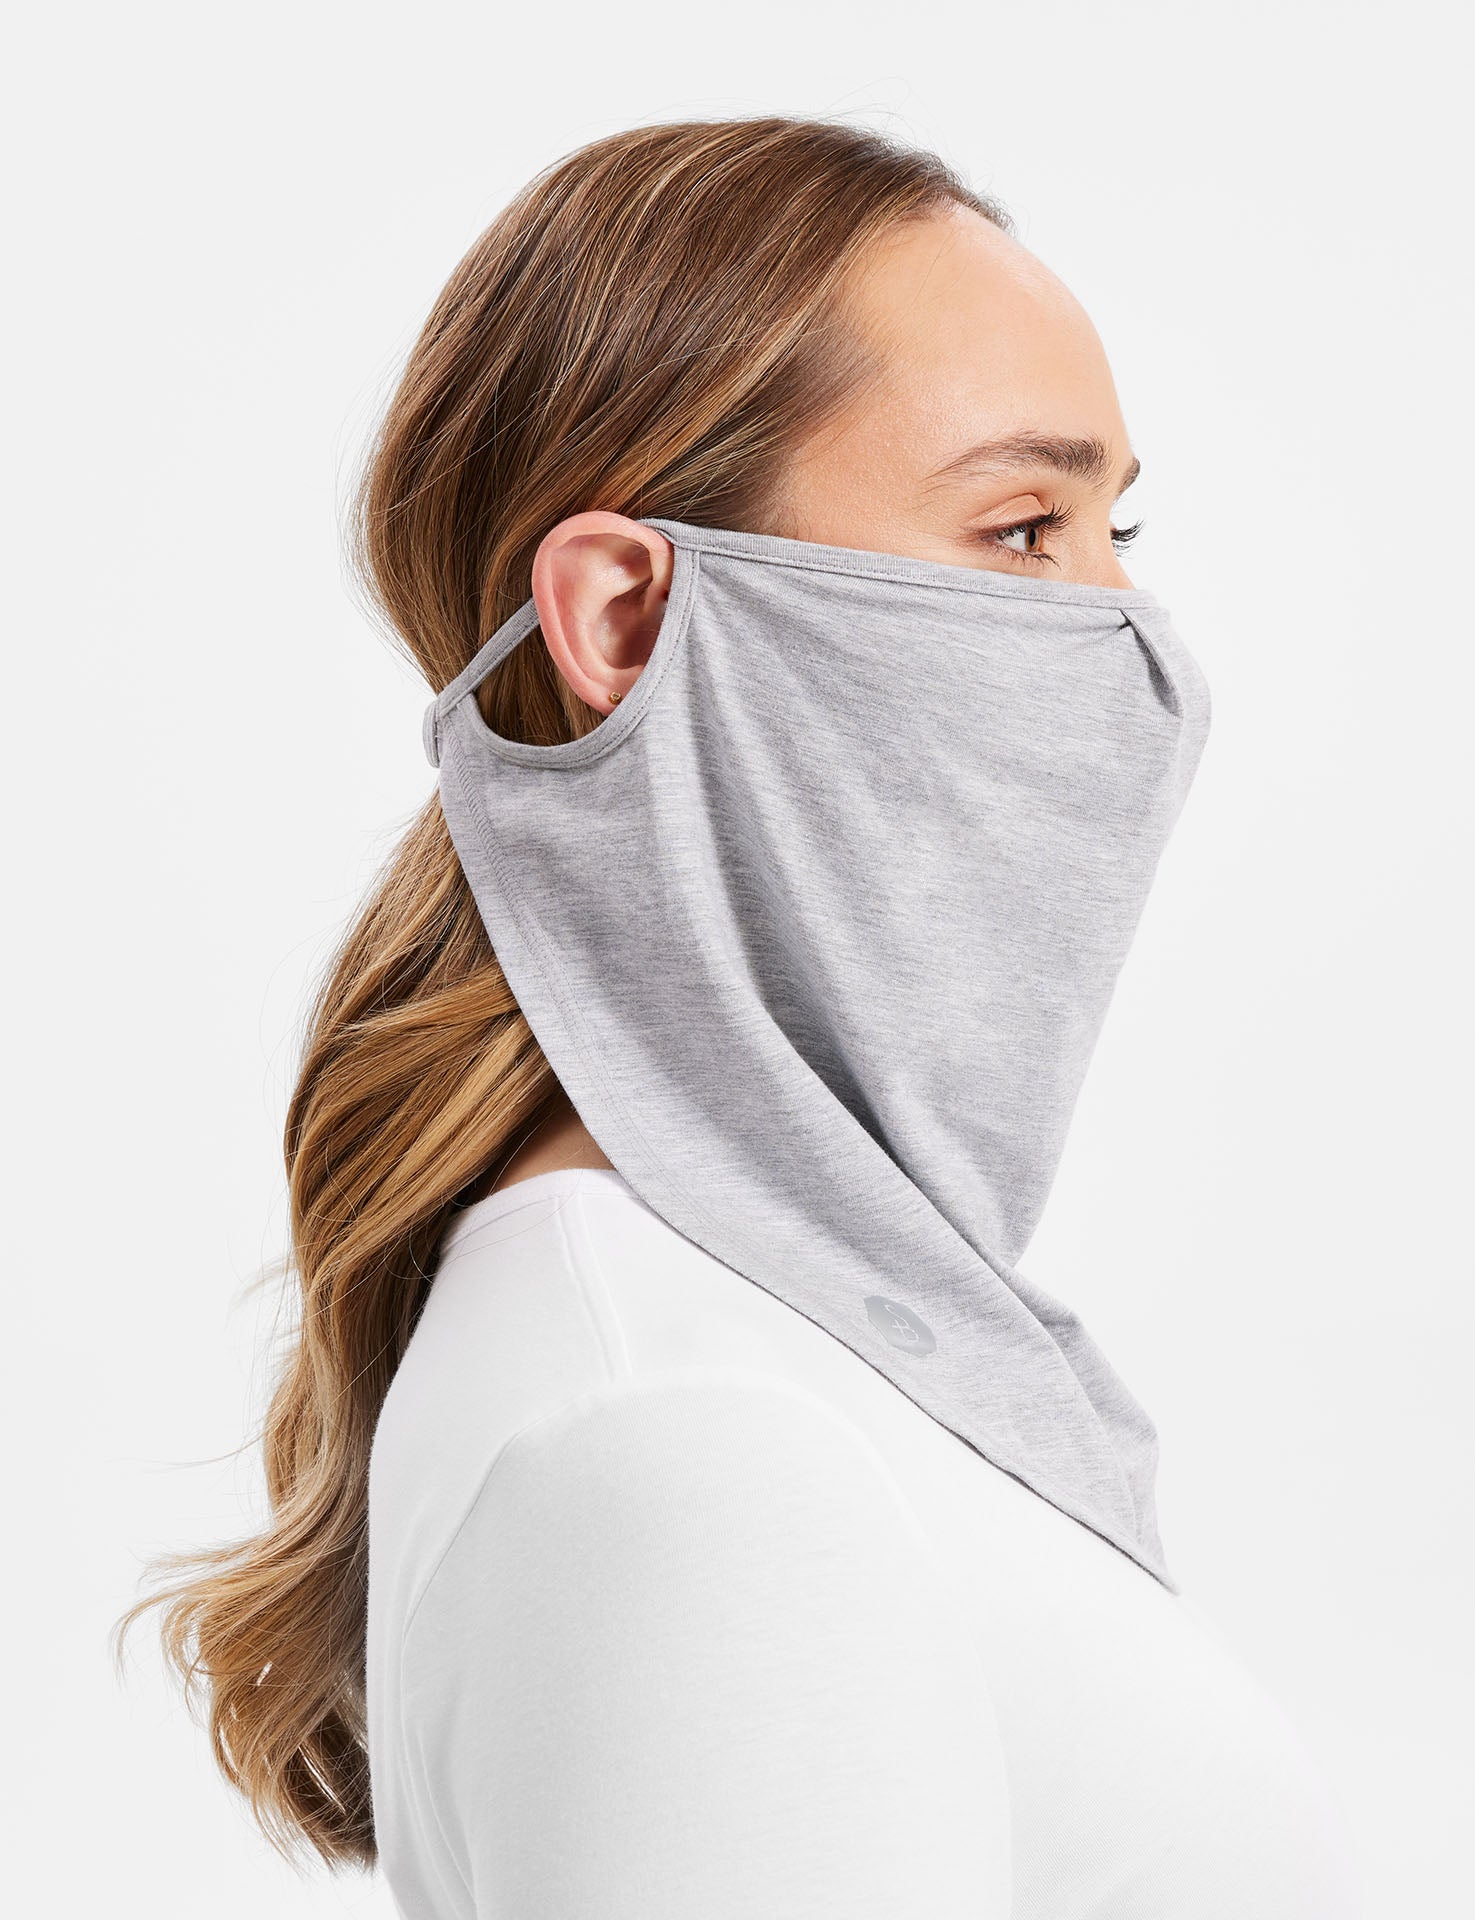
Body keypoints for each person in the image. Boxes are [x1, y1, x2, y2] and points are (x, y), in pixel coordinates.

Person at [116, 116, 1365, 1917]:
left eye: (1120, 532)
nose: (1140, 651)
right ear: (625, 619)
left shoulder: (763, 1360)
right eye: (1022, 529)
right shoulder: (689, 1442)